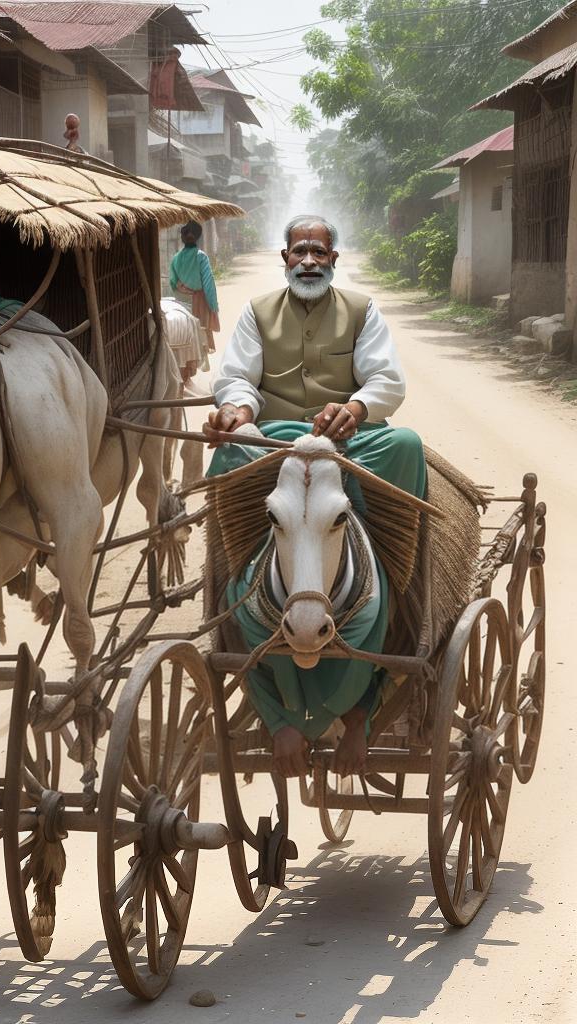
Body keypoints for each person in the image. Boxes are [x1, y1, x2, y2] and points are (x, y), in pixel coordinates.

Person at [202, 214, 425, 779]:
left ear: (333, 259)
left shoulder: (361, 309)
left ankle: (404, 591)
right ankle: (229, 598)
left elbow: (385, 380)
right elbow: (236, 379)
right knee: (227, 453)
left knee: (406, 444)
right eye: (298, 251)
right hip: (277, 440)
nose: (308, 260)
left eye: (318, 252)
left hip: (346, 442)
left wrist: (353, 410)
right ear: (284, 258)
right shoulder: (257, 312)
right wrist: (237, 412)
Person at [169, 221, 220, 355]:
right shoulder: (201, 256)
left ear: (182, 238)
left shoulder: (176, 258)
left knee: (186, 336)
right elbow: (208, 284)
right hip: (200, 302)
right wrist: (213, 306)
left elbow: (173, 283)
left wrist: (182, 291)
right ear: (198, 237)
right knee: (200, 336)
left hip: (181, 302)